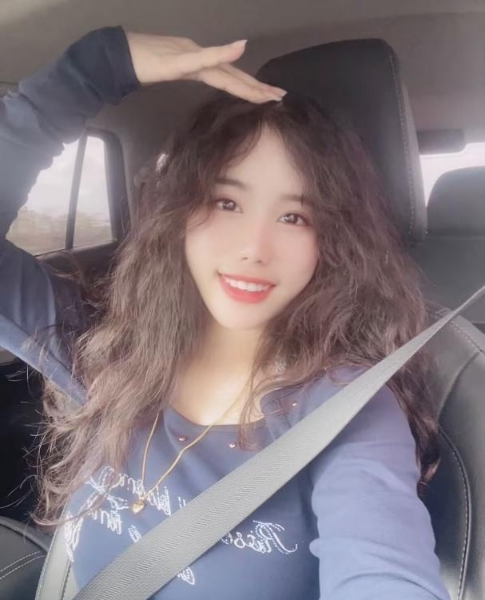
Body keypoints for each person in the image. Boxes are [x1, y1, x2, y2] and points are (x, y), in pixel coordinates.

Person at [0, 26, 451, 600]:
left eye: (294, 217)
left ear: (334, 240)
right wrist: (93, 68)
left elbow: (383, 571)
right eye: (227, 202)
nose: (253, 248)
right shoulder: (107, 349)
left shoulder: (345, 412)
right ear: (180, 213)